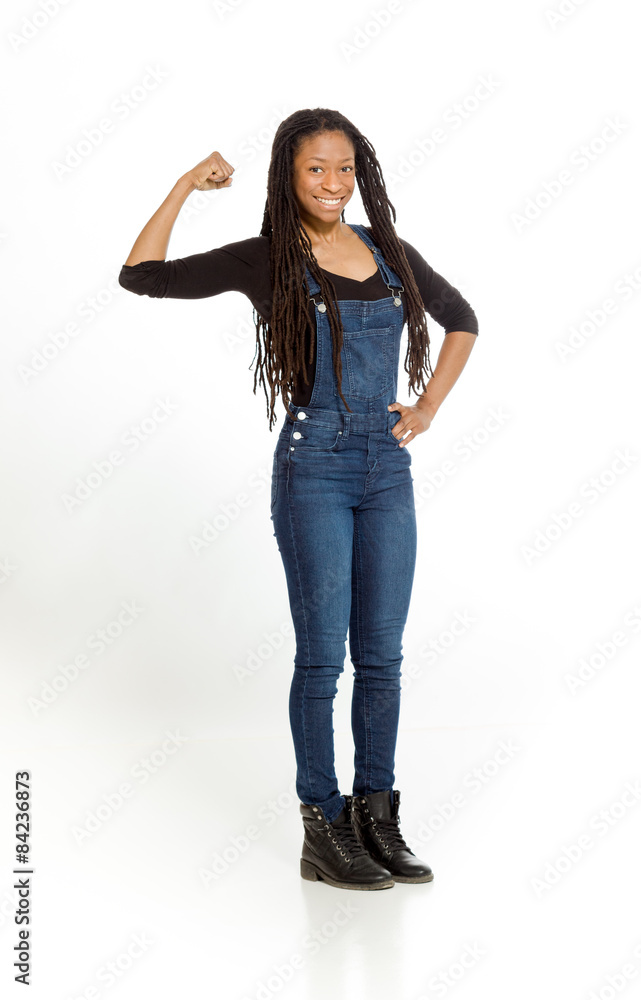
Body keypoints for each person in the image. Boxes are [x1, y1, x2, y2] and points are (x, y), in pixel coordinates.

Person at [118, 108, 479, 891]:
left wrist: (425, 408)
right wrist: (184, 185)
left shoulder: (387, 251)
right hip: (313, 468)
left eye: (344, 167)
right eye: (316, 168)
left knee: (381, 657)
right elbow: (142, 275)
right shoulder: (266, 259)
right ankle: (323, 826)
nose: (332, 182)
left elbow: (461, 319)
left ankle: (376, 818)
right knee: (321, 660)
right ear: (288, 174)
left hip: (386, 471)